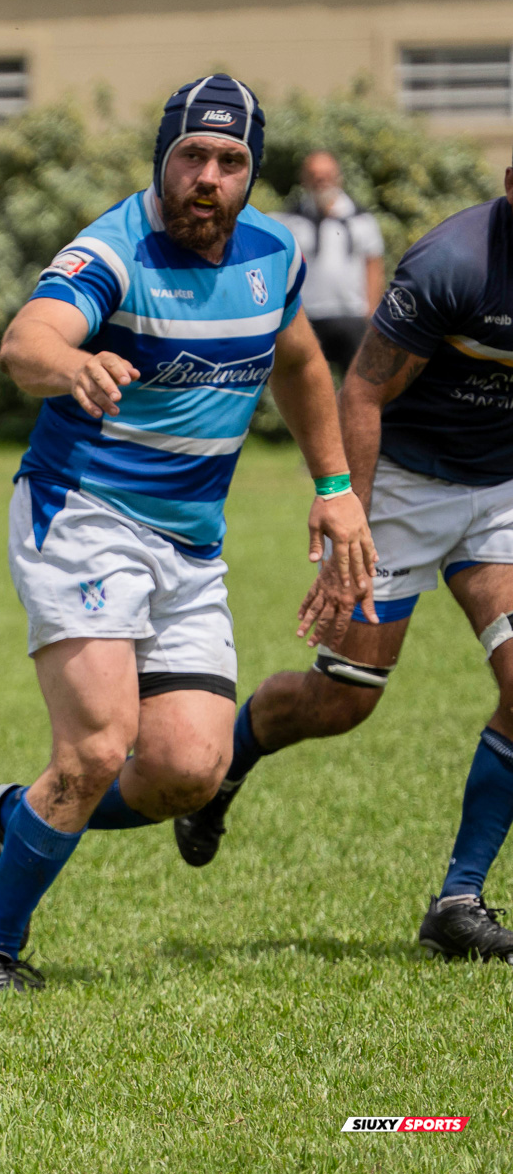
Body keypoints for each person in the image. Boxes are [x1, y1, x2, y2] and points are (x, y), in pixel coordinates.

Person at [0, 74, 373, 992]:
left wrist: (335, 486)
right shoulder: (115, 249)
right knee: (99, 749)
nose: (208, 178)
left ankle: (11, 817)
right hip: (84, 514)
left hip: (190, 540)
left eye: (230, 161)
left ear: (252, 172)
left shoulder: (272, 252)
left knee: (187, 768)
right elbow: (27, 341)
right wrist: (72, 360)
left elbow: (298, 361)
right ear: (162, 159)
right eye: (192, 156)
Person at [175, 153, 513, 962]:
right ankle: (229, 762)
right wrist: (348, 521)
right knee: (344, 701)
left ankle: (459, 900)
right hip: (402, 483)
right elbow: (359, 391)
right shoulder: (453, 263)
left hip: (500, 491)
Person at [271, 149, 385, 374]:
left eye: (326, 175)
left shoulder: (361, 219)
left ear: (338, 177)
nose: (320, 180)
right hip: (307, 317)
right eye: (314, 175)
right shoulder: (290, 219)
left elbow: (373, 265)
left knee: (357, 384)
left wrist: (371, 311)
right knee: (305, 382)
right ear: (304, 179)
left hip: (352, 314)